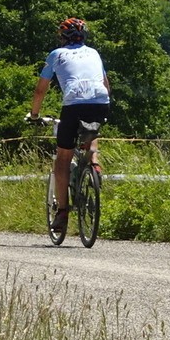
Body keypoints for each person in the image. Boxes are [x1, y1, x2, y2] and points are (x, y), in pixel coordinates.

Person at [28, 17, 111, 236]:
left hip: (73, 104)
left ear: (63, 37)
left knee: (63, 159)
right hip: (101, 102)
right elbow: (105, 85)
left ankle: (62, 213)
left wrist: (34, 115)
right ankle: (94, 163)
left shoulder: (56, 54)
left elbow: (40, 91)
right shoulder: (94, 53)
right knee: (92, 131)